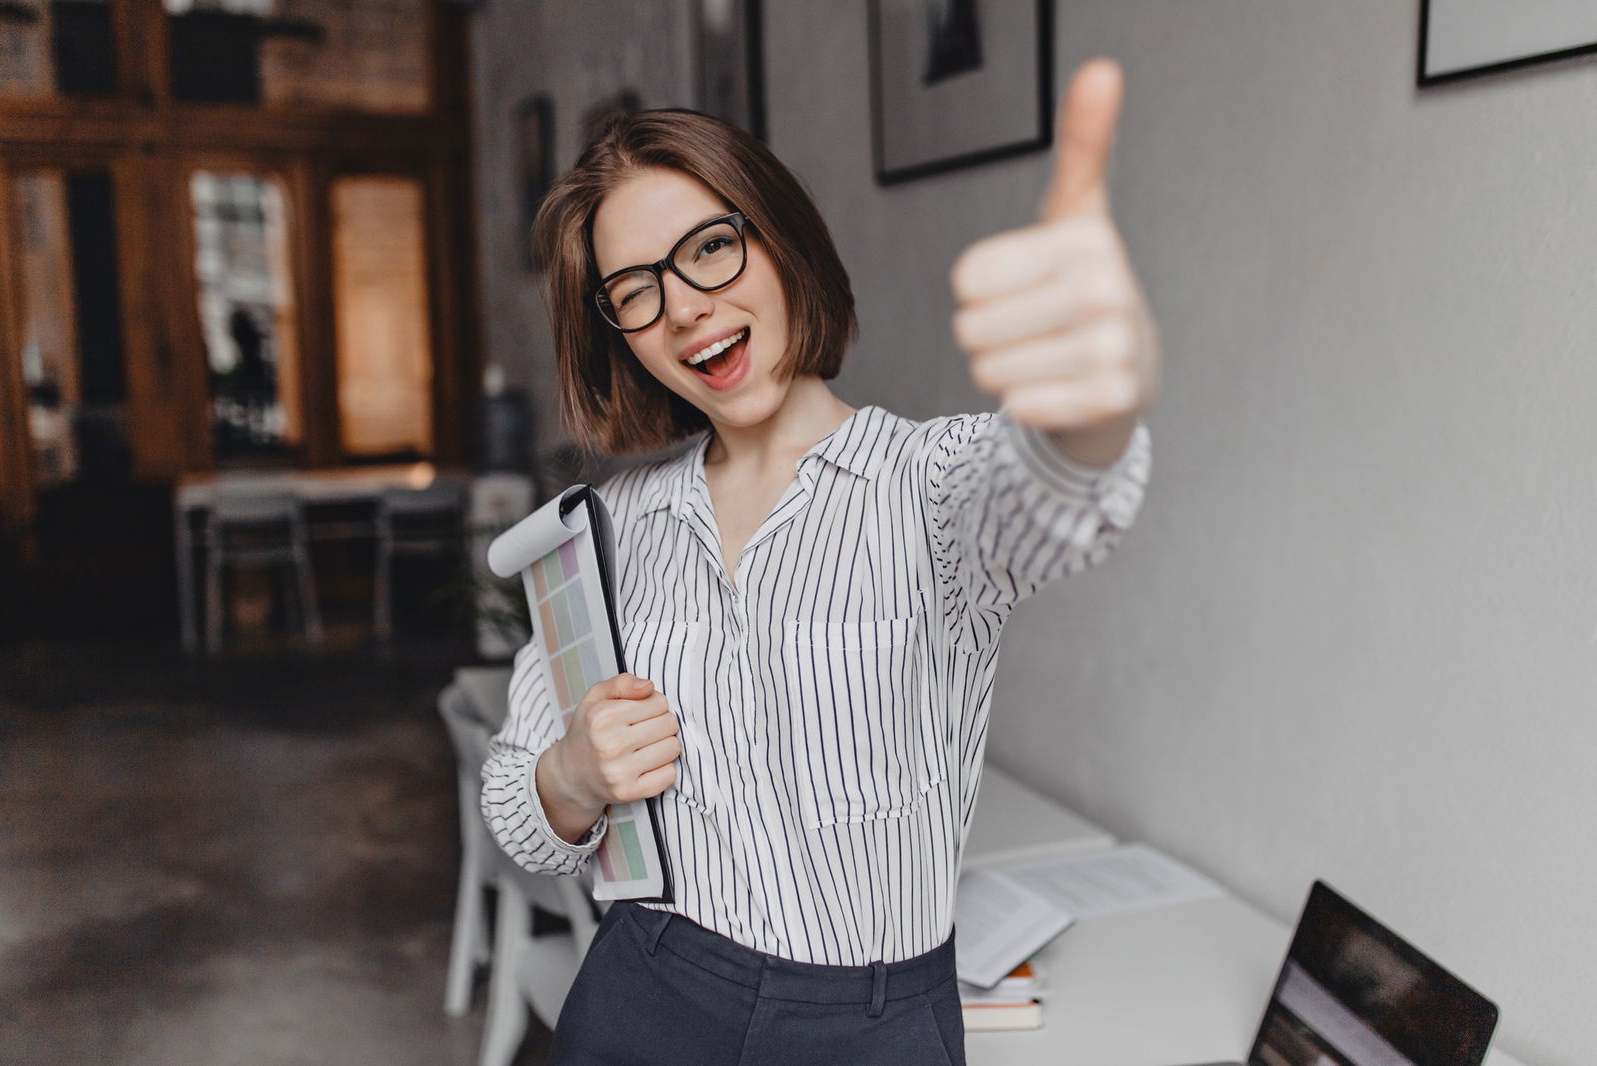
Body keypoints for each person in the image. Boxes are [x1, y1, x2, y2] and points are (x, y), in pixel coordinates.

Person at [481, 58, 1159, 1065]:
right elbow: (517, 809)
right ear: (619, 335)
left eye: (710, 247)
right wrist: (572, 774)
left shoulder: (930, 487)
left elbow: (1056, 495)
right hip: (645, 991)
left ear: (780, 239)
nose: (684, 306)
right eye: (635, 289)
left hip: (874, 1023)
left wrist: (1095, 393)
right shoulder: (603, 534)